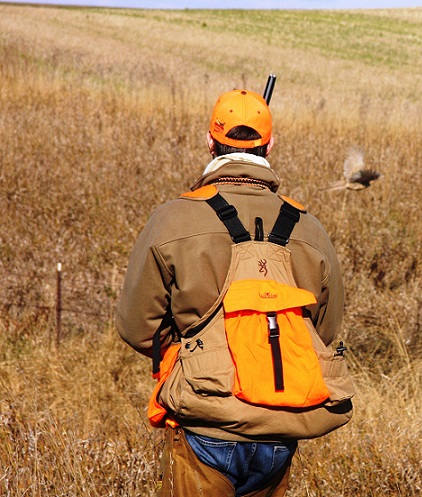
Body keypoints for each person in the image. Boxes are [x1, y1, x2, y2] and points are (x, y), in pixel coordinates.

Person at [116, 88, 352, 496]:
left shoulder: (173, 219)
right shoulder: (309, 227)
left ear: (210, 142)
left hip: (204, 422)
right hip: (281, 428)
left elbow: (137, 327)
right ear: (270, 145)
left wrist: (190, 356)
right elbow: (324, 331)